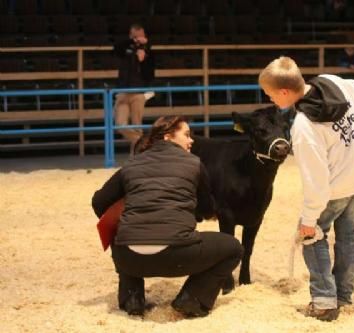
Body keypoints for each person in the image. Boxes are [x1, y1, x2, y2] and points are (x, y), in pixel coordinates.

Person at [258, 57, 354, 322]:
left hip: (337, 186)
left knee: (311, 237)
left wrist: (309, 220)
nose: (271, 100)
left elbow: (316, 182)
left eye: (270, 95)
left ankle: (324, 302)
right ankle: (344, 296)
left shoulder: (303, 127)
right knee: (349, 235)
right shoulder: (332, 81)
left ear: (284, 92)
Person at [91, 116, 243, 318]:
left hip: (129, 259)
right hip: (176, 256)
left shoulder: (131, 165)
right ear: (168, 137)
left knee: (122, 232)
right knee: (233, 248)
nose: (192, 140)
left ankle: (132, 298)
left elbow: (98, 202)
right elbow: (207, 209)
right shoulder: (194, 163)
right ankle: (192, 299)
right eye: (186, 135)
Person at [113, 23, 155, 153]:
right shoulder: (125, 49)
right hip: (123, 91)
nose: (138, 39)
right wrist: (132, 42)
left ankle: (137, 156)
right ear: (131, 36)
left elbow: (150, 73)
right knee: (120, 125)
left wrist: (144, 59)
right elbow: (116, 48)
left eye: (140, 36)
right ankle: (142, 142)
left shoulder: (148, 51)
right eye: (135, 36)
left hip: (138, 92)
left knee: (137, 125)